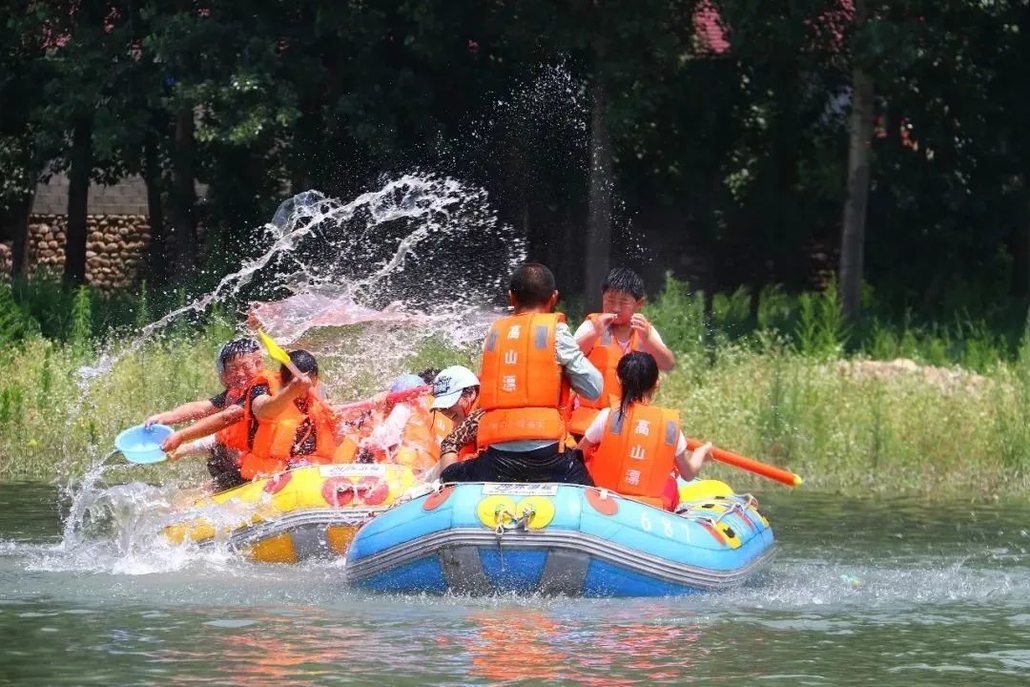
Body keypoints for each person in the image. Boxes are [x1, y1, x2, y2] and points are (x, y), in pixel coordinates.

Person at [439, 262, 603, 484]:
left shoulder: (494, 335)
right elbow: (594, 390)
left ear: (511, 298)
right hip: (548, 458)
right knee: (588, 488)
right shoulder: (557, 332)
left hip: (497, 458)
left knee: (450, 476)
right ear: (554, 298)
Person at [578, 351, 711, 510]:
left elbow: (579, 455)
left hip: (605, 503)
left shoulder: (608, 416)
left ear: (619, 381)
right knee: (670, 481)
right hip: (649, 509)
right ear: (657, 383)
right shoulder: (669, 426)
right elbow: (688, 475)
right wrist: (700, 453)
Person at [569, 267, 676, 437]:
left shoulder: (644, 331)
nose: (616, 307)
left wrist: (648, 340)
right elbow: (567, 357)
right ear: (602, 297)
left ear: (639, 303)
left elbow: (668, 364)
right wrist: (594, 334)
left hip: (629, 424)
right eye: (610, 300)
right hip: (588, 424)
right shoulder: (591, 326)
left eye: (624, 302)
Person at [148, 338, 263, 490]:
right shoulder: (236, 393)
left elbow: (225, 418)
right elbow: (201, 408)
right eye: (233, 369)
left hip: (262, 469)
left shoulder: (261, 391)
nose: (240, 374)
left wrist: (181, 436)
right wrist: (165, 417)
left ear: (258, 364)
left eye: (245, 366)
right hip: (243, 465)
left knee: (192, 498)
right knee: (220, 448)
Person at [239, 349, 354, 480]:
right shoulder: (263, 387)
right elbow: (262, 410)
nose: (303, 392)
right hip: (265, 476)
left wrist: (336, 421)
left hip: (309, 471)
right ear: (283, 380)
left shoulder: (321, 394)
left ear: (315, 377)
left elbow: (338, 439)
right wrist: (291, 391)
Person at [431, 365, 482, 469]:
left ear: (471, 394)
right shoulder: (462, 417)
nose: (445, 410)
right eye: (441, 407)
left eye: (449, 402)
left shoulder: (486, 412)